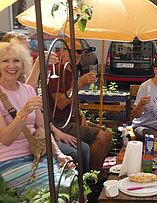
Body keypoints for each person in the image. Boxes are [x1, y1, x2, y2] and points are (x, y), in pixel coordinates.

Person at [0, 42, 75, 192]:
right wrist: (23, 112)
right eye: (5, 61)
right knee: (59, 188)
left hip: (38, 155)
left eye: (16, 60)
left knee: (74, 179)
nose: (12, 66)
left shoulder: (28, 90)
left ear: (23, 64)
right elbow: (5, 139)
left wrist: (59, 154)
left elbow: (42, 127)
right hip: (10, 162)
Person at [4, 31, 90, 169]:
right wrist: (38, 66)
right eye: (19, 50)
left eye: (27, 50)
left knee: (88, 145)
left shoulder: (24, 76)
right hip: (24, 142)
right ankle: (86, 184)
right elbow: (31, 98)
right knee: (83, 149)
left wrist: (55, 131)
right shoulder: (6, 83)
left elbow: (38, 114)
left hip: (41, 133)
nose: (78, 55)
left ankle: (88, 184)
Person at [47, 39, 112, 173]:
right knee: (101, 136)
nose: (77, 55)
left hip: (72, 120)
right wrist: (80, 83)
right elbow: (60, 103)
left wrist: (80, 114)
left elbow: (72, 100)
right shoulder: (58, 71)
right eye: (72, 51)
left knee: (108, 133)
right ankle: (90, 178)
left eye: (79, 52)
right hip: (60, 123)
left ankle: (97, 175)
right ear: (63, 52)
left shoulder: (73, 71)